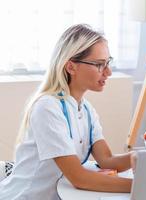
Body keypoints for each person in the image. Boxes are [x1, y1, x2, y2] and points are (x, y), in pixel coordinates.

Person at [0, 24, 133, 200]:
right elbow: (79, 178)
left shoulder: (86, 109)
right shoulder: (47, 108)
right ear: (71, 67)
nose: (108, 72)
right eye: (99, 64)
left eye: (108, 62)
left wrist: (144, 157)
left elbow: (106, 160)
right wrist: (140, 187)